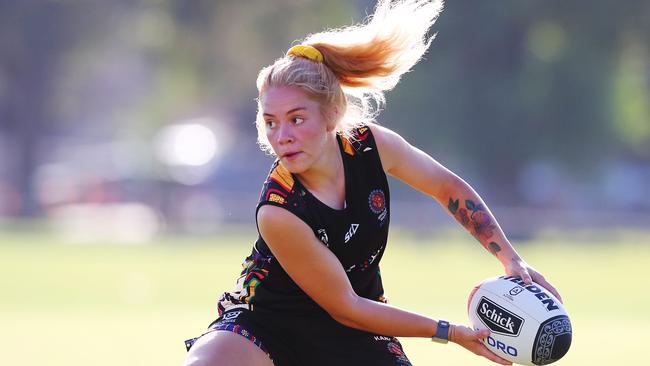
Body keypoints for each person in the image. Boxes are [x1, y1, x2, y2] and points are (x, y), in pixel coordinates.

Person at [183, 1, 563, 365]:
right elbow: (345, 306)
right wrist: (451, 332)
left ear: (332, 114)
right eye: (270, 122)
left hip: (358, 329)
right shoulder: (279, 210)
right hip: (270, 324)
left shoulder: (370, 146)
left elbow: (446, 188)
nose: (281, 135)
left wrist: (510, 259)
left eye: (296, 119)